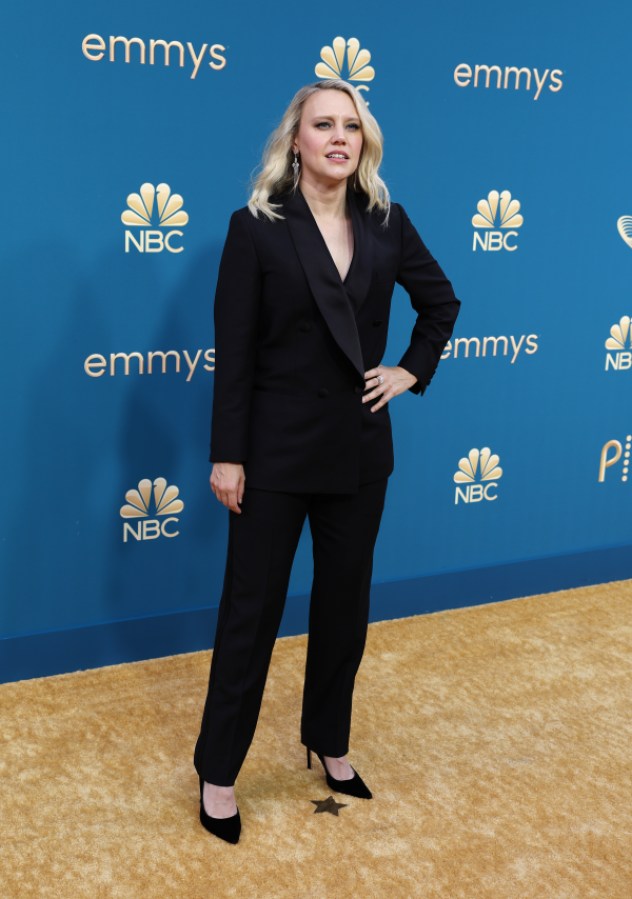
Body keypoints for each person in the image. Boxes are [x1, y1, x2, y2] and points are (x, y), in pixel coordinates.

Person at [194, 79, 460, 844]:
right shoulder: (258, 228)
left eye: (351, 125)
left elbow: (442, 303)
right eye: (323, 125)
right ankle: (217, 770)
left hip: (357, 452)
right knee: (251, 617)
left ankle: (329, 741)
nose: (339, 137)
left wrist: (409, 368)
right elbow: (234, 354)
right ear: (296, 140)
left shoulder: (387, 222)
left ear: (362, 141)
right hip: (272, 456)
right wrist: (227, 456)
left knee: (344, 611)